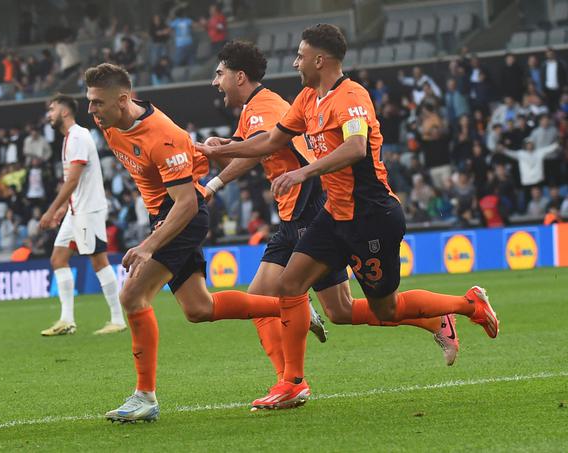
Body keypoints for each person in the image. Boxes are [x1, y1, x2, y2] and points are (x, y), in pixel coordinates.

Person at [196, 25, 499, 411]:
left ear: (320, 60)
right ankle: (292, 383)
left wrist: (303, 172)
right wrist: (224, 148)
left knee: (385, 309)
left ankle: (467, 304)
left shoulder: (353, 97)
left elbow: (356, 147)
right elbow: (272, 141)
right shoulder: (306, 98)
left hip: (371, 217)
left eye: (301, 56)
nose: (295, 62)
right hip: (333, 215)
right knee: (290, 286)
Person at [84, 63, 312, 423]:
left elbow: (188, 203)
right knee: (198, 309)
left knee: (132, 295)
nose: (91, 111)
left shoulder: (162, 135)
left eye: (97, 103)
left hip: (182, 214)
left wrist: (147, 245)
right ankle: (288, 308)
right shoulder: (108, 121)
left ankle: (145, 397)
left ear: (123, 99)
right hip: (163, 211)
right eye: (90, 102)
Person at [38, 94, 127, 336]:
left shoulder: (78, 136)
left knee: (99, 261)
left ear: (65, 112)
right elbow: (76, 181)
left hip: (89, 210)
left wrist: (52, 209)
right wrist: (64, 208)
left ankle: (118, 319)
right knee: (58, 258)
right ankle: (67, 320)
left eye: (52, 108)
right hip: (77, 209)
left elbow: (74, 179)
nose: (49, 114)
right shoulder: (70, 138)